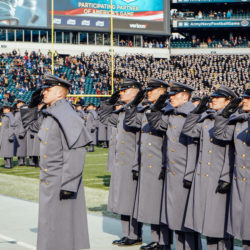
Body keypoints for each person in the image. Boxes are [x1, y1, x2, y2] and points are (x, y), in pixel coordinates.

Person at [20, 74, 92, 250]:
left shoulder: (65, 114)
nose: (43, 92)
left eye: (48, 89)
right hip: (51, 180)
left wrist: (68, 184)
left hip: (61, 181)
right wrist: (31, 106)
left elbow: (75, 150)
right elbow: (32, 127)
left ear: (60, 93)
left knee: (64, 227)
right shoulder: (51, 113)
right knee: (51, 225)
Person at [146, 82, 201, 250]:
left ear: (185, 96)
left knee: (186, 216)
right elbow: (156, 124)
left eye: (174, 95)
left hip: (185, 172)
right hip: (172, 171)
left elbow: (194, 149)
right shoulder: (173, 114)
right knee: (175, 215)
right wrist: (157, 106)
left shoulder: (193, 115)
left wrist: (190, 174)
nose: (171, 97)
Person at [182, 85, 238, 250]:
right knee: (205, 223)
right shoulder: (207, 119)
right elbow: (188, 130)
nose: (212, 100)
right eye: (212, 97)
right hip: (203, 175)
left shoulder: (233, 120)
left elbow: (232, 152)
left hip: (219, 176)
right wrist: (196, 112)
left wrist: (226, 177)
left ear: (228, 102)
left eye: (217, 98)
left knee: (219, 223)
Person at [124, 78, 172, 250]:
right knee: (151, 204)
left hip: (159, 163)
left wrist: (164, 165)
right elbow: (130, 122)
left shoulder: (168, 111)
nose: (148, 92)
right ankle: (156, 239)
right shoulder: (147, 110)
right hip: (147, 164)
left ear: (163, 91)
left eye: (153, 90)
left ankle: (163, 241)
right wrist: (132, 105)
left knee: (159, 205)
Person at [99, 78, 143, 246]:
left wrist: (137, 164)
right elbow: (104, 119)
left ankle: (134, 234)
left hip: (131, 162)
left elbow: (141, 141)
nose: (121, 92)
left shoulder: (140, 111)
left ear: (135, 92)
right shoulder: (122, 111)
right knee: (122, 201)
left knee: (130, 201)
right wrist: (109, 103)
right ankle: (127, 233)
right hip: (120, 162)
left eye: (125, 90)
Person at [213, 85, 250, 249]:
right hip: (240, 179)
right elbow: (220, 134)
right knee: (243, 227)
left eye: (248, 99)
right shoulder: (240, 121)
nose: (245, 101)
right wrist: (224, 115)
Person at [0, 104, 16, 168]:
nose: (3, 110)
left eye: (5, 108)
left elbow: (12, 127)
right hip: (3, 136)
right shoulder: (4, 116)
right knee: (4, 151)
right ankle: (6, 164)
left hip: (7, 135)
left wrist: (11, 136)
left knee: (8, 151)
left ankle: (9, 164)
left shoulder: (10, 116)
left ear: (8, 109)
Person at [14, 99, 27, 166]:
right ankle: (21, 160)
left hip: (21, 132)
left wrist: (22, 132)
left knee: (22, 147)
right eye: (18, 103)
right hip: (16, 132)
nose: (18, 104)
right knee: (19, 148)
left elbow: (23, 123)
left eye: (19, 103)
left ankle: (22, 161)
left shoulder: (23, 112)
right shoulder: (17, 112)